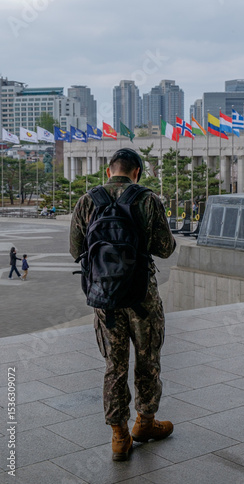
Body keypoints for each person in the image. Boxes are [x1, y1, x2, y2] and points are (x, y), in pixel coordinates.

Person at [70, 148, 176, 461]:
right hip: (142, 296)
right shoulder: (148, 199)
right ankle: (144, 423)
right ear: (137, 173)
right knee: (148, 360)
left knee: (114, 366)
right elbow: (166, 248)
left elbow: (75, 249)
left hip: (105, 299)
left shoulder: (88, 200)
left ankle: (119, 437)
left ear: (109, 172)